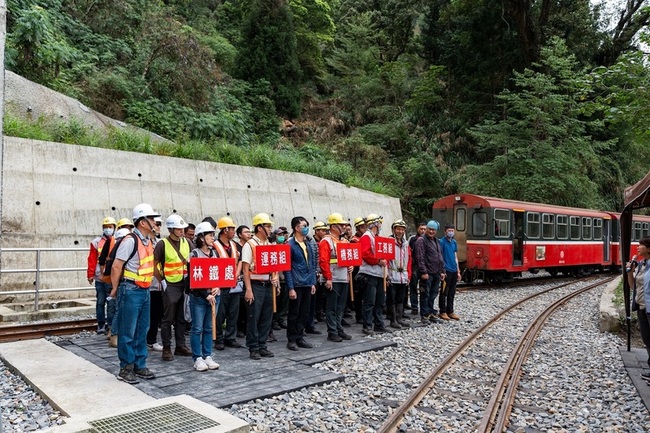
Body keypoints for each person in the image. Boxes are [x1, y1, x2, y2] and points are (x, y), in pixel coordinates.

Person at [109, 203, 159, 384]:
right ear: (142, 222)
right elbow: (116, 266)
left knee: (141, 330)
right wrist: (115, 289)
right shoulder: (130, 241)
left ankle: (139, 364)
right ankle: (126, 368)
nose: (154, 222)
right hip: (130, 290)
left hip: (144, 291)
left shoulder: (148, 241)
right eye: (151, 219)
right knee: (127, 331)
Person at [154, 213, 192, 361]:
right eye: (178, 228)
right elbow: (154, 264)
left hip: (184, 284)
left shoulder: (187, 242)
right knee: (168, 319)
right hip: (170, 284)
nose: (182, 231)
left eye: (182, 228)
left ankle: (180, 346)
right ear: (171, 229)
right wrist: (161, 280)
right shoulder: (162, 244)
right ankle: (167, 348)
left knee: (181, 317)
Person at [242, 213, 278, 360]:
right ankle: (253, 347)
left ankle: (262, 345)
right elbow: (245, 269)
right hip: (255, 285)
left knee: (266, 317)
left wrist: (275, 278)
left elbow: (274, 266)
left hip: (268, 284)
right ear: (259, 227)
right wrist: (249, 290)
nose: (270, 229)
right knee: (253, 317)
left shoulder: (269, 245)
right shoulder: (249, 245)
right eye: (268, 226)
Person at [188, 222, 221, 371]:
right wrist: (206, 294)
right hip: (199, 298)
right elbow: (193, 280)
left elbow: (220, 273)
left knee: (209, 327)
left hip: (214, 296)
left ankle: (207, 355)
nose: (213, 238)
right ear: (201, 237)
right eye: (210, 235)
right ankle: (197, 357)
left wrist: (217, 287)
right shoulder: (194, 254)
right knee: (197, 328)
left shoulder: (215, 253)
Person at [284, 216, 317, 350]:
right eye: (304, 225)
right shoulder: (289, 245)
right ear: (296, 228)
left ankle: (300, 337)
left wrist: (313, 282)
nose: (306, 228)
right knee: (294, 313)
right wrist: (291, 288)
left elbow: (312, 264)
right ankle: (291, 339)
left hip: (307, 283)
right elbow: (287, 268)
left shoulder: (308, 243)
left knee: (304, 312)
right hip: (296, 283)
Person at [319, 213, 353, 342]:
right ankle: (332, 331)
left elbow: (349, 258)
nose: (344, 227)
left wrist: (351, 267)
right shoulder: (326, 241)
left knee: (341, 306)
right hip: (333, 278)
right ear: (333, 226)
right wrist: (328, 278)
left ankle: (338, 328)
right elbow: (323, 261)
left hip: (343, 277)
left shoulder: (343, 241)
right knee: (332, 306)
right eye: (341, 225)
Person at [213, 217, 243, 350]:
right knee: (220, 314)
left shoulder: (234, 245)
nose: (234, 232)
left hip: (234, 283)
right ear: (225, 230)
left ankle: (230, 337)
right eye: (232, 229)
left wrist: (237, 273)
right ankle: (218, 338)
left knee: (233, 312)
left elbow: (240, 260)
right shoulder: (215, 246)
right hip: (221, 285)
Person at [358, 214, 388, 335]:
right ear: (375, 224)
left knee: (380, 300)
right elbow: (365, 254)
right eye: (379, 223)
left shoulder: (375, 237)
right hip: (369, 273)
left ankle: (378, 324)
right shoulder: (367, 237)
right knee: (369, 301)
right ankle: (367, 325)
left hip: (378, 273)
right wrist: (378, 261)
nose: (380, 225)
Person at [87, 216, 117, 334]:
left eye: (110, 227)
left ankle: (110, 325)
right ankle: (100, 324)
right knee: (100, 302)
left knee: (110, 303)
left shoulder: (117, 241)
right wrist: (90, 274)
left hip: (110, 278)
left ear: (114, 228)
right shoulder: (96, 242)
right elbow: (92, 259)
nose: (108, 229)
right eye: (105, 227)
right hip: (100, 278)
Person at [416, 220, 446, 324]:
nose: (431, 231)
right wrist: (423, 271)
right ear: (426, 229)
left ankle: (431, 312)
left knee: (433, 294)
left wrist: (442, 271)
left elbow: (440, 256)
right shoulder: (421, 240)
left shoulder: (437, 241)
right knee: (425, 294)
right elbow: (420, 257)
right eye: (430, 229)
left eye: (434, 230)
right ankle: (425, 315)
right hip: (427, 273)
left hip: (436, 272)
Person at [630, 237, 650, 377]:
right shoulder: (642, 264)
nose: (637, 248)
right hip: (641, 307)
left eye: (640, 245)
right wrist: (629, 271)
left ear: (649, 248)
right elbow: (634, 287)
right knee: (647, 339)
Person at [387, 219, 411, 329]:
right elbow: (386, 259)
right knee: (392, 298)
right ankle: (393, 320)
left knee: (401, 298)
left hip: (403, 276)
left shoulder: (406, 244)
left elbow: (409, 260)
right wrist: (386, 276)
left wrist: (408, 275)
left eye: (402, 229)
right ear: (394, 230)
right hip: (393, 274)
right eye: (398, 229)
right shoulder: (389, 242)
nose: (400, 231)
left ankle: (399, 318)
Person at [146, 217, 164, 351]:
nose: (158, 227)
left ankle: (151, 340)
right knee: (146, 315)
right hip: (145, 283)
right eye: (156, 224)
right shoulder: (143, 242)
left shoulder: (160, 243)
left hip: (159, 284)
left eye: (159, 225)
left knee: (156, 314)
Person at [439, 223, 462, 321]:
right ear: (445, 231)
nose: (451, 232)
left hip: (453, 269)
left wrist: (458, 270)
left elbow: (455, 256)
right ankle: (442, 311)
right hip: (446, 270)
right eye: (449, 231)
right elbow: (440, 256)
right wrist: (442, 270)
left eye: (452, 231)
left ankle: (450, 311)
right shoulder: (441, 242)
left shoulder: (454, 242)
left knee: (452, 292)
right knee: (444, 291)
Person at [236, 225, 252, 339]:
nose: (249, 234)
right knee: (239, 306)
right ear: (240, 234)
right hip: (238, 279)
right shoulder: (236, 246)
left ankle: (246, 327)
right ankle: (239, 328)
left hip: (249, 278)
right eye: (246, 232)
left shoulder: (251, 245)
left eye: (249, 232)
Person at [407, 222, 427, 315]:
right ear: (417, 229)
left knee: (423, 288)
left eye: (424, 229)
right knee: (413, 288)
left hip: (424, 267)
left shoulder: (428, 239)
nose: (423, 230)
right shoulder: (412, 239)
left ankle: (424, 307)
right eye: (421, 228)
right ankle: (414, 307)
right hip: (414, 266)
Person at [350, 217, 366, 324]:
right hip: (357, 269)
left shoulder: (368, 238)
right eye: (363, 227)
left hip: (366, 268)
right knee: (358, 294)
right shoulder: (354, 240)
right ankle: (359, 315)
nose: (365, 228)